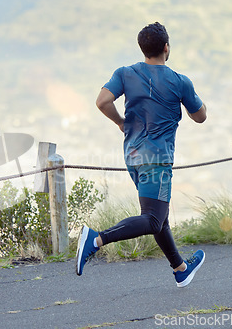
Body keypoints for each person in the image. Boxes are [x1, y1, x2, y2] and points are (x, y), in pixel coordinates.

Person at [76, 22, 207, 288]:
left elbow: (102, 101)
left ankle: (180, 269)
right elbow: (200, 116)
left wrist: (120, 122)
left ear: (142, 49)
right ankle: (96, 239)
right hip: (157, 159)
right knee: (153, 219)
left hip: (133, 157)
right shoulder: (180, 81)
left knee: (158, 215)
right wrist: (192, 98)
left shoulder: (125, 73)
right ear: (166, 48)